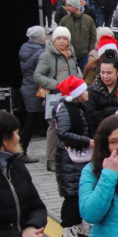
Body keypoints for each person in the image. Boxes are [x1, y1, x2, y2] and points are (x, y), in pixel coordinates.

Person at [34, 26, 82, 172]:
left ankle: (69, 155)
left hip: (71, 96)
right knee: (54, 127)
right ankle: (51, 159)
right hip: (55, 95)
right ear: (54, 40)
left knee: (70, 124)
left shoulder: (71, 54)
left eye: (65, 38)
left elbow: (76, 72)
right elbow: (38, 75)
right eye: (59, 38)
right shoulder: (47, 55)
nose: (62, 41)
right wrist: (58, 85)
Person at [54, 76, 93, 237]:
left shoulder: (80, 108)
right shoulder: (65, 110)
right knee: (71, 195)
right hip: (69, 159)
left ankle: (79, 225)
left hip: (81, 158)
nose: (87, 93)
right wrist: (86, 141)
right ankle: (68, 227)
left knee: (81, 191)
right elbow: (63, 133)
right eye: (84, 90)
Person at [17, 26, 47, 163]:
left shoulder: (24, 48)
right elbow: (42, 73)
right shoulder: (40, 53)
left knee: (31, 119)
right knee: (31, 121)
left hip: (26, 87)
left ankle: (20, 149)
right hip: (36, 89)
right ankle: (21, 150)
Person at [86, 57, 118, 130]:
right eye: (102, 72)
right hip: (99, 128)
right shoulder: (92, 89)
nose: (105, 76)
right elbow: (90, 111)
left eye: (109, 73)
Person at [62, 0, 97, 69]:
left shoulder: (88, 20)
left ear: (75, 6)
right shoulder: (65, 20)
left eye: (70, 5)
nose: (68, 8)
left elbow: (93, 35)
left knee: (85, 75)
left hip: (84, 55)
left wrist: (89, 50)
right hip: (69, 54)